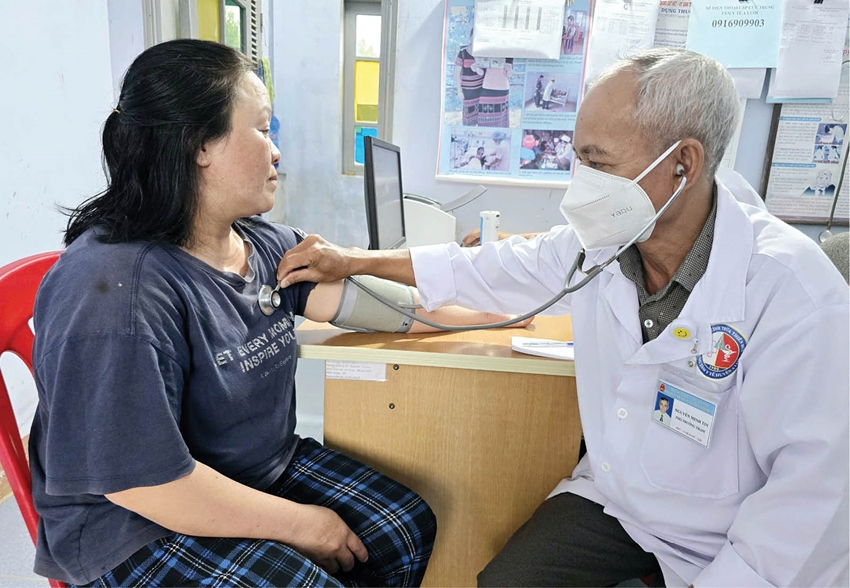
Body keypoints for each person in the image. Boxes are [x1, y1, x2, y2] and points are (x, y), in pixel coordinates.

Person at [274, 48, 850, 586]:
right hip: (622, 503)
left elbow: (812, 500)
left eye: (598, 163)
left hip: (732, 531)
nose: (581, 183)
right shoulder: (601, 248)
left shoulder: (795, 294)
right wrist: (354, 260)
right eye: (579, 159)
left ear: (683, 164)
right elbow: (484, 268)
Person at [29, 39, 533, 588]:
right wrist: (302, 523)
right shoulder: (114, 291)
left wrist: (497, 313)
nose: (276, 152)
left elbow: (389, 309)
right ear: (200, 146)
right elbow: (145, 484)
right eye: (263, 130)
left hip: (251, 470)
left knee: (403, 528)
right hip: (132, 523)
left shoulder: (263, 245)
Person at [454, 27, 484, 126]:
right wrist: (459, 91)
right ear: (470, 37)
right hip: (467, 92)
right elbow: (457, 74)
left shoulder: (482, 53)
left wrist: (477, 69)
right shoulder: (462, 53)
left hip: (480, 91)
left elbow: (484, 73)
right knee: (468, 118)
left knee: (480, 117)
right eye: (473, 37)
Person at [477, 57, 514, 127]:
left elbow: (509, 75)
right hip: (487, 87)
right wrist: (476, 68)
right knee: (484, 117)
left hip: (502, 88)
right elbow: (482, 72)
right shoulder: (486, 52)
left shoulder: (508, 53)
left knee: (501, 120)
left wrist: (509, 69)